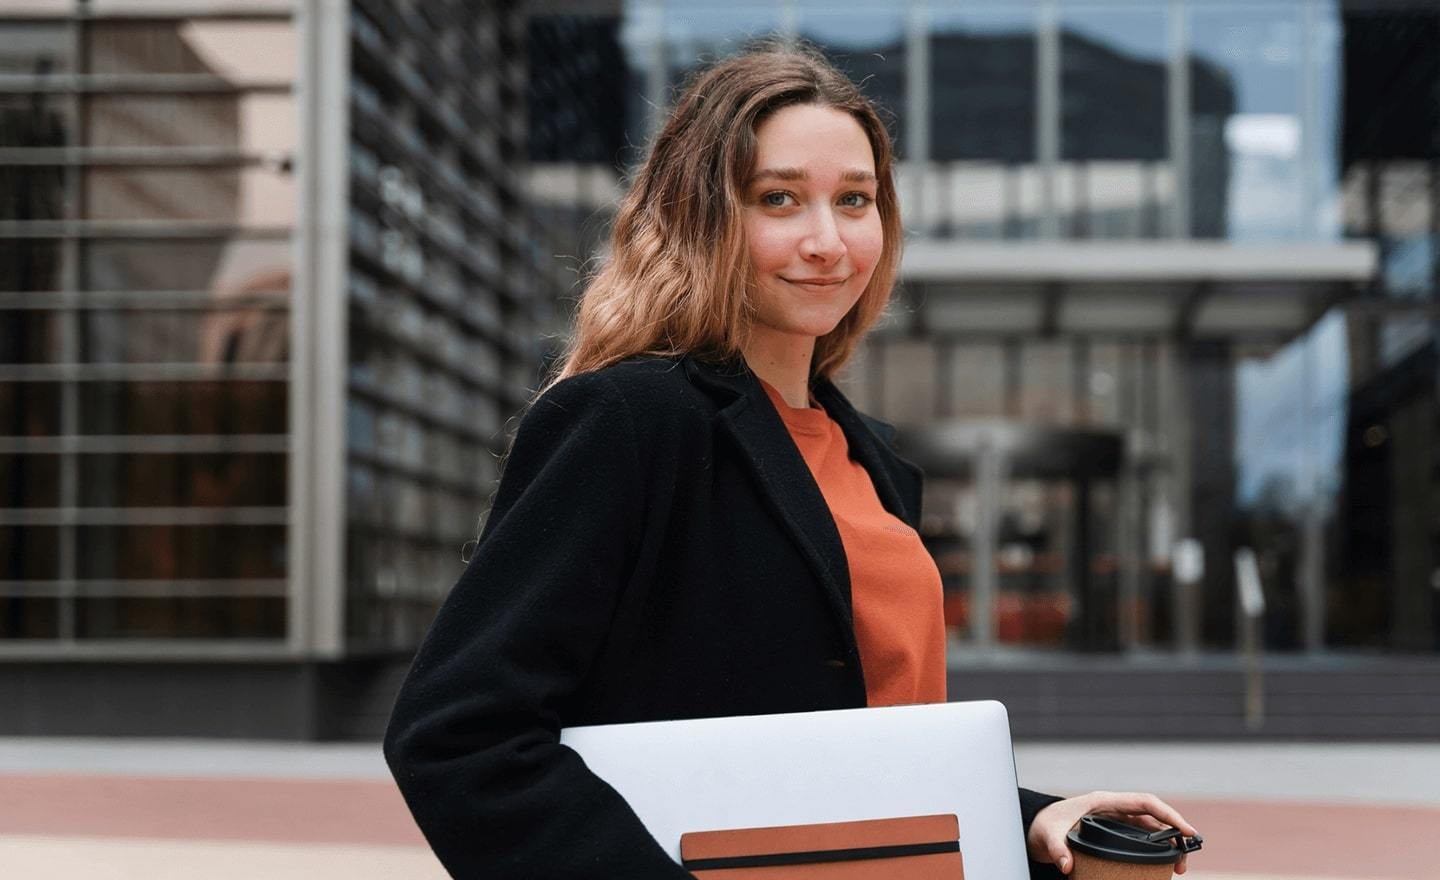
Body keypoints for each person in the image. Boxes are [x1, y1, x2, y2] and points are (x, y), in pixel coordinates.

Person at [384, 44, 1196, 879]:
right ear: (703, 219)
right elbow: (459, 736)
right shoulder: (631, 420)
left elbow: (864, 744)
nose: (827, 240)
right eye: (779, 199)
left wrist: (1034, 816)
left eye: (855, 200)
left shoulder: (873, 455)